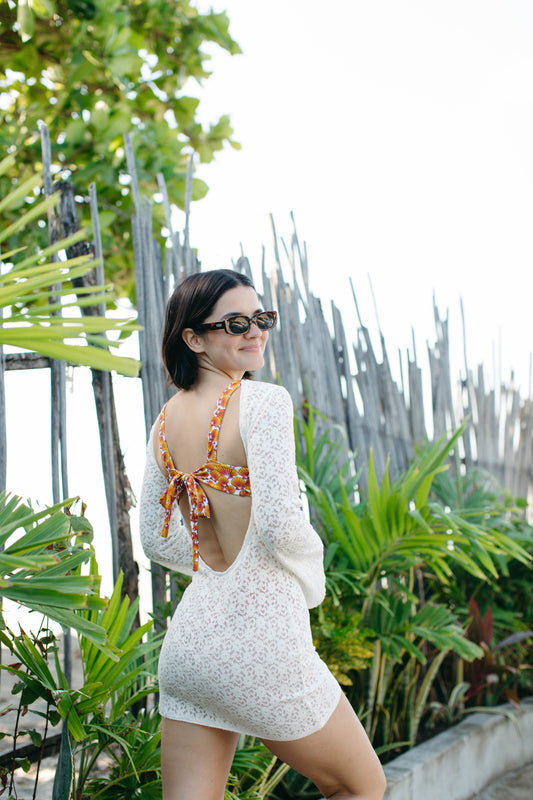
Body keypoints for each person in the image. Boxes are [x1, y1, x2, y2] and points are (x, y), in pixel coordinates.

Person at [139, 269, 386, 800]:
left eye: (261, 318)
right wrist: (310, 585)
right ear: (193, 338)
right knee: (361, 786)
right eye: (235, 322)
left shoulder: (163, 422)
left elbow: (156, 541)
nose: (255, 332)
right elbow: (280, 527)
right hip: (263, 641)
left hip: (189, 650)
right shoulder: (263, 402)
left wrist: (213, 569)